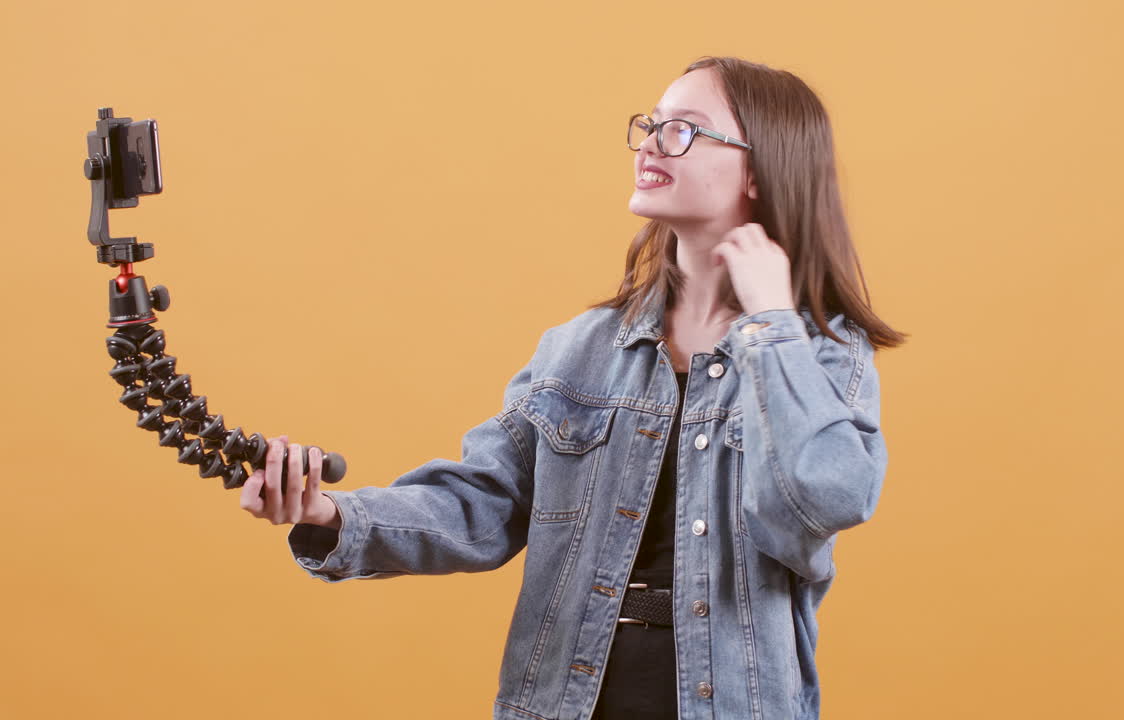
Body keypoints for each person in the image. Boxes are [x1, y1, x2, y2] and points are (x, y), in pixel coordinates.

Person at [240, 55, 907, 720]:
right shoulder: (581, 349)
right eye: (651, 124)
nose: (650, 143)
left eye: (684, 130)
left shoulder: (821, 349)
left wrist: (770, 329)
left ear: (761, 170)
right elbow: (485, 503)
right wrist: (332, 516)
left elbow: (826, 499)